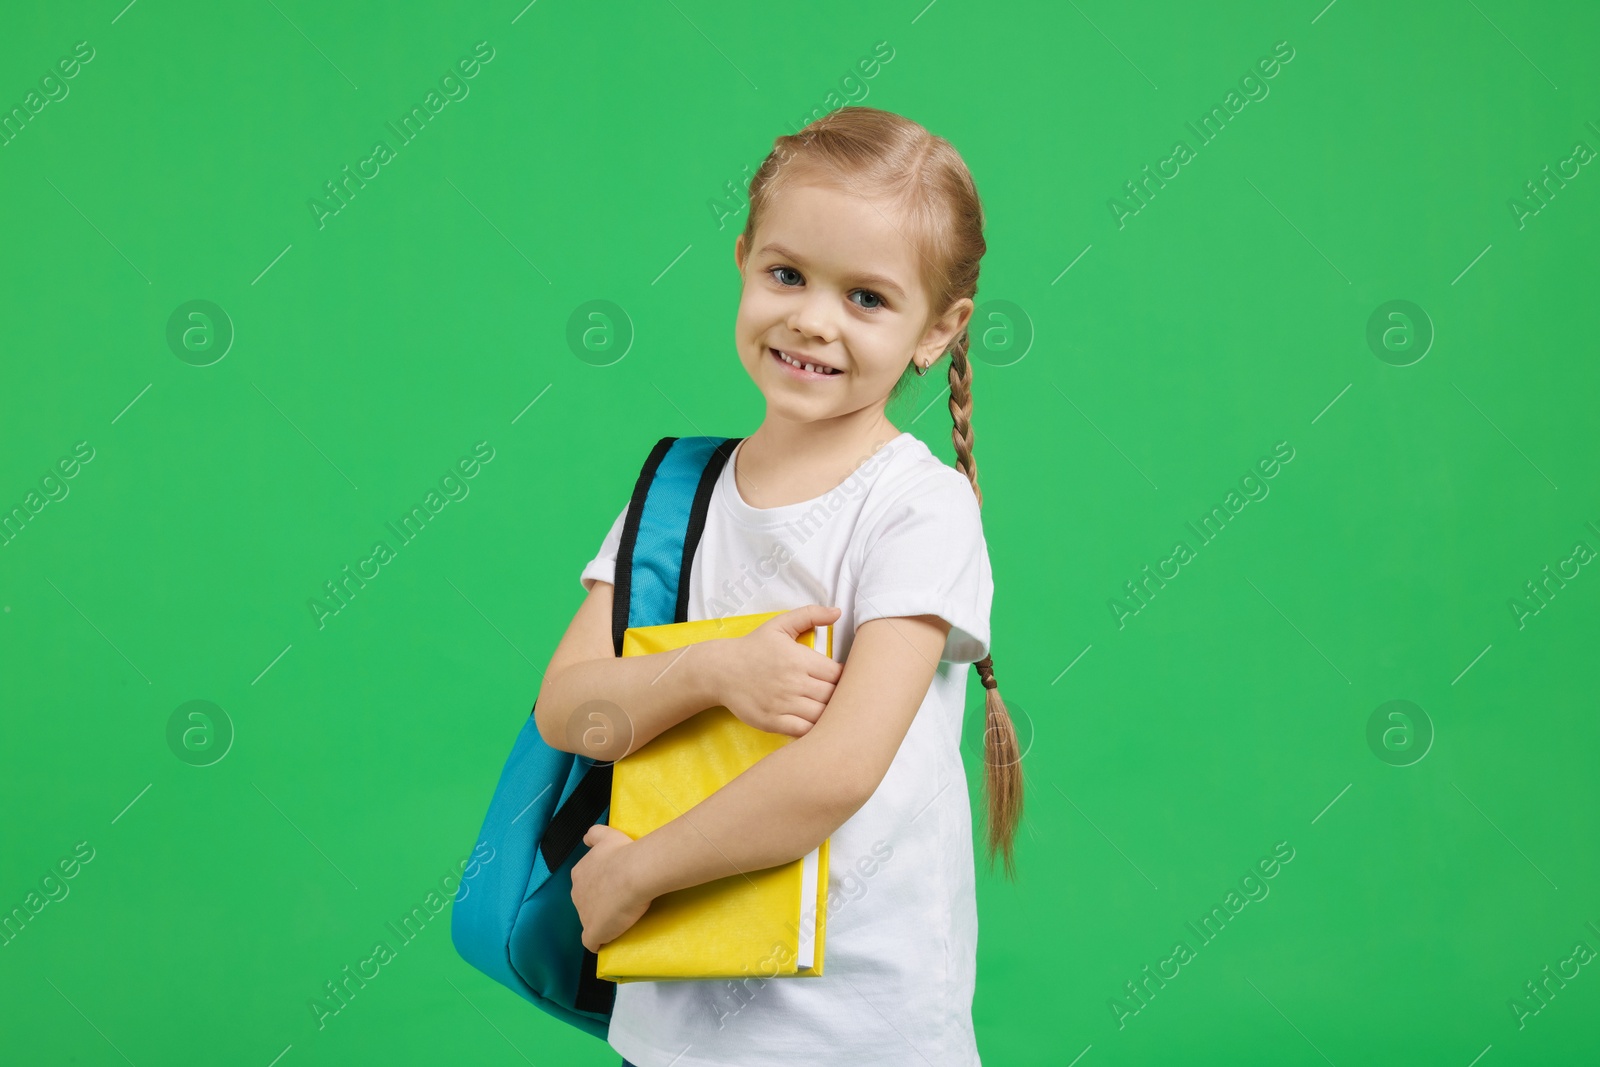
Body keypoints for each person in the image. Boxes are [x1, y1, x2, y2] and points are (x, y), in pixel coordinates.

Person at [533, 105, 1023, 1067]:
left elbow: (835, 772)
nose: (812, 318)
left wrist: (639, 873)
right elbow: (568, 711)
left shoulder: (917, 511)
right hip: (673, 1022)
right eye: (787, 274)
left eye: (868, 298)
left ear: (940, 329)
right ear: (744, 260)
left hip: (859, 1034)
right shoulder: (678, 494)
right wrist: (712, 672)